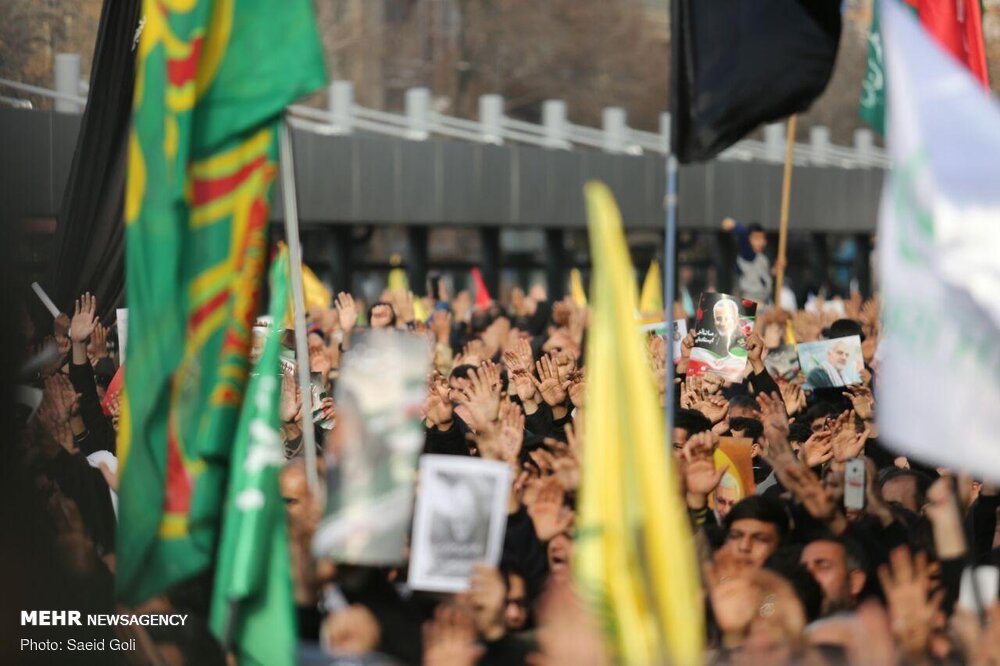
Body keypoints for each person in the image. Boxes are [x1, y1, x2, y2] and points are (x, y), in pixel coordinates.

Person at [722, 217, 778, 305]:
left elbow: (762, 277)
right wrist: (734, 225)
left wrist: (776, 270)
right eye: (756, 238)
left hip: (764, 301)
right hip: (750, 302)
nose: (761, 242)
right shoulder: (748, 255)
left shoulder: (762, 258)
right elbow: (743, 234)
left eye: (762, 238)